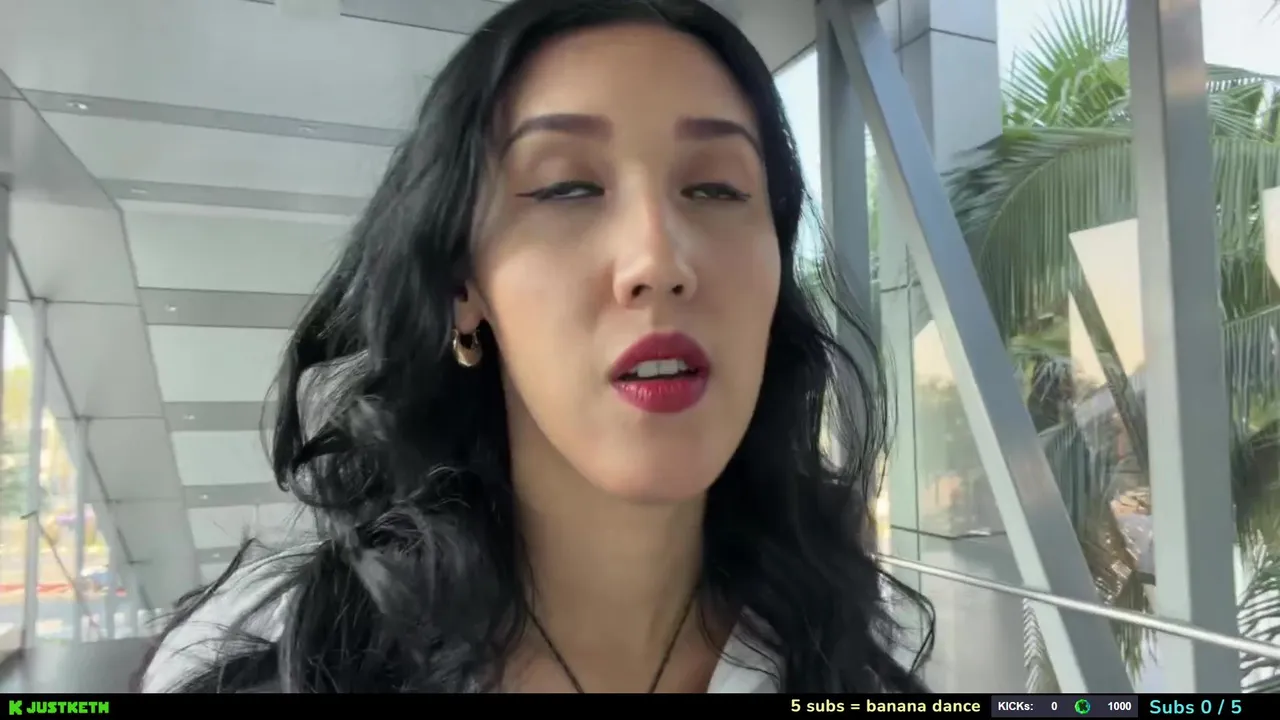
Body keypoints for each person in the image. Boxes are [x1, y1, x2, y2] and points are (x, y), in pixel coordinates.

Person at [138, 0, 934, 694]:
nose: (658, 261)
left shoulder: (850, 653)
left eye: (716, 188)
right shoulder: (275, 658)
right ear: (464, 288)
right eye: (566, 188)